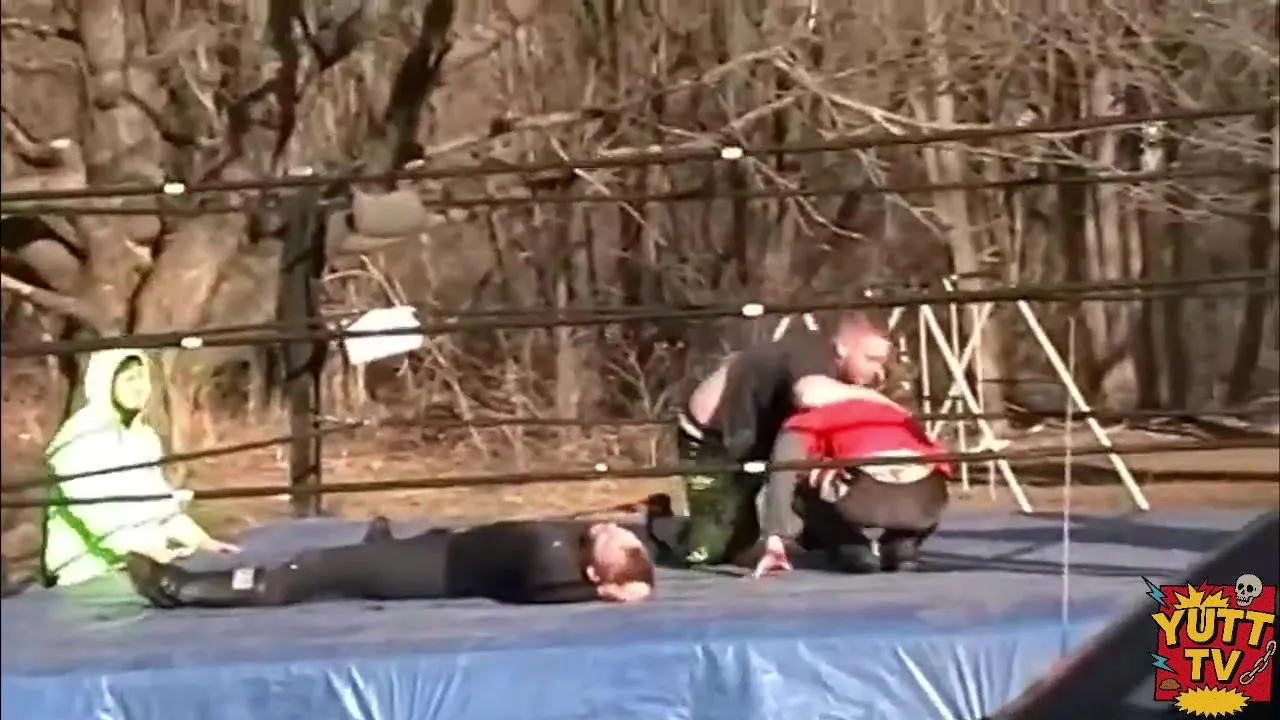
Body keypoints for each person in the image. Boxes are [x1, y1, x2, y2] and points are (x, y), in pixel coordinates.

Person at [650, 311, 904, 569]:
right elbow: (808, 393)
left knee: (813, 476)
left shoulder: (838, 373)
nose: (878, 372)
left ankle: (817, 531)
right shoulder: (812, 355)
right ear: (842, 348)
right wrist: (883, 404)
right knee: (710, 549)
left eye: (881, 362)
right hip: (712, 439)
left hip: (757, 437)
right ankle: (663, 524)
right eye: (871, 359)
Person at [125, 517, 655, 608]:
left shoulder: (550, 562)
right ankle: (380, 544)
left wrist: (609, 591)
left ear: (593, 573)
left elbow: (544, 592)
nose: (609, 526)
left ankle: (181, 588)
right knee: (357, 555)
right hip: (442, 549)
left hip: (433, 571)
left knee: (311, 568)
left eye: (610, 538)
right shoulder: (571, 550)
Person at [41, 348, 239, 587]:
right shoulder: (81, 436)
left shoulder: (143, 436)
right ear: (107, 383)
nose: (139, 387)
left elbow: (159, 504)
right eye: (129, 379)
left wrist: (201, 541)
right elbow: (92, 511)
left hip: (142, 564)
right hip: (89, 572)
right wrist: (140, 548)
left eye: (142, 377)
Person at [756, 397, 953, 575]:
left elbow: (785, 469)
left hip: (863, 488)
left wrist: (776, 537)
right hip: (924, 495)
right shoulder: (896, 413)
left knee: (806, 485)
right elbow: (941, 459)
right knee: (926, 482)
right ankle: (902, 545)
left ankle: (851, 546)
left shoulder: (810, 418)